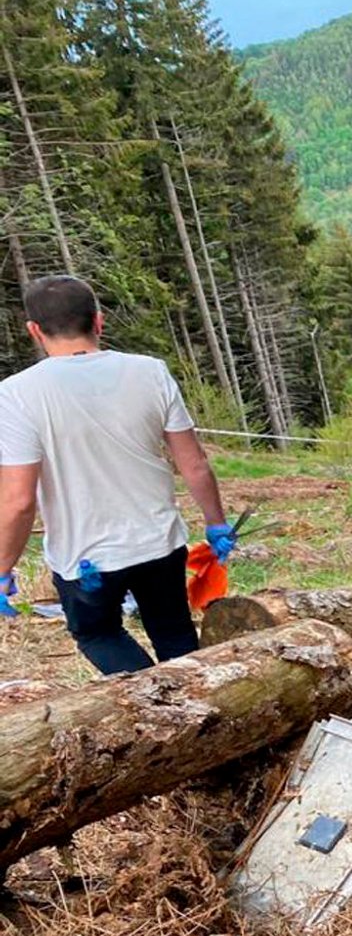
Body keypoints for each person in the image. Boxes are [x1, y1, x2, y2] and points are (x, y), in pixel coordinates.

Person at [0, 276, 237, 674]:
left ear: (35, 330)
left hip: (85, 558)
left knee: (99, 634)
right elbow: (194, 462)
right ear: (99, 321)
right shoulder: (151, 372)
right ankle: (195, 704)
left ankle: (158, 703)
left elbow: (19, 501)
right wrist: (216, 524)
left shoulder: (17, 394)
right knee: (174, 632)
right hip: (158, 541)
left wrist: (3, 567)